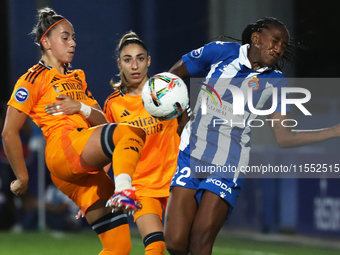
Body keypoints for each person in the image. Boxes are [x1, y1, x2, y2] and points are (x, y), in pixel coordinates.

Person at [164, 17, 340, 255]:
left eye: (283, 46)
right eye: (275, 41)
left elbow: (284, 137)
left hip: (229, 163)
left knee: (199, 243)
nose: (278, 49)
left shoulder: (277, 82)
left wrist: (334, 131)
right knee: (175, 243)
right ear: (256, 39)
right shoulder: (220, 52)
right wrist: (179, 114)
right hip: (190, 154)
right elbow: (170, 79)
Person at [1, 7, 145, 255]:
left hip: (80, 165)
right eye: (65, 37)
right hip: (63, 150)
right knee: (131, 133)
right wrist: (22, 177)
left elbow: (100, 121)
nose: (73, 43)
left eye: (73, 37)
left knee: (119, 247)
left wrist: (80, 107)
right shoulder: (33, 78)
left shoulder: (77, 77)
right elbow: (8, 132)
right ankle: (124, 190)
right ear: (45, 42)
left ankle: (121, 190)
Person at [103, 31, 180, 255]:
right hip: (142, 187)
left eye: (140, 58)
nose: (134, 65)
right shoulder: (113, 105)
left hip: (178, 182)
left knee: (185, 246)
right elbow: (109, 151)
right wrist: (91, 194)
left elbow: (187, 126)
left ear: (149, 61)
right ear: (120, 64)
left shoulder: (167, 90)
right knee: (155, 247)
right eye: (128, 60)